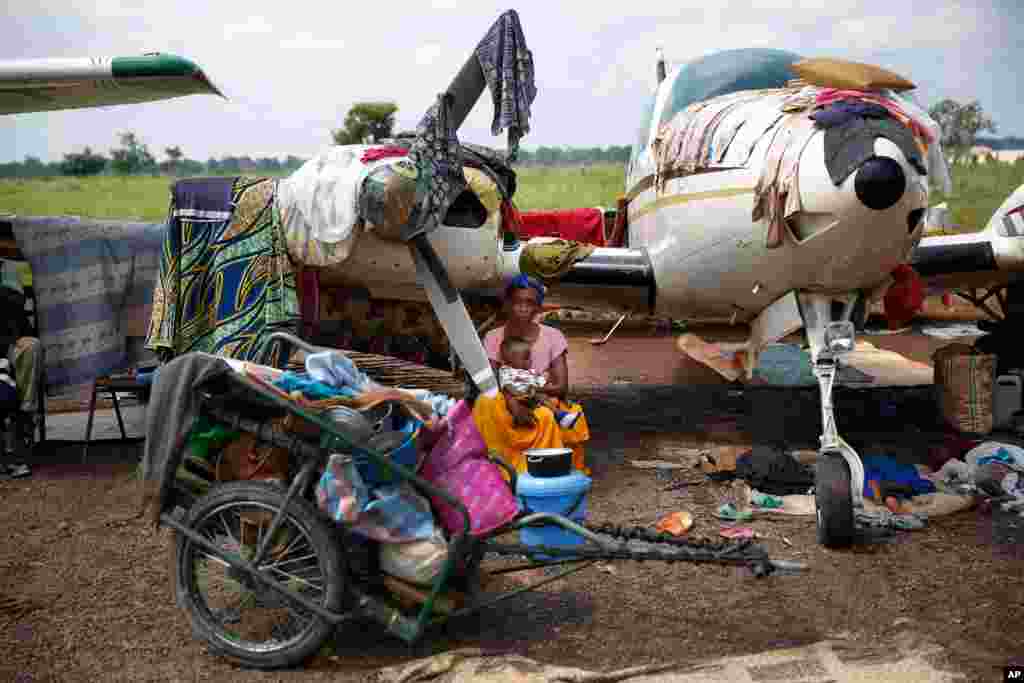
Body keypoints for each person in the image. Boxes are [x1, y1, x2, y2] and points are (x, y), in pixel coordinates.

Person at [473, 274, 590, 475]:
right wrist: (513, 402)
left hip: (542, 399)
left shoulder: (553, 336)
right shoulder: (493, 337)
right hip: (506, 398)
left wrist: (528, 390)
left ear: (539, 307)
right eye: (517, 301)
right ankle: (495, 472)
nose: (524, 307)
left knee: (544, 415)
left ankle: (538, 471)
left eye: (530, 302)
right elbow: (492, 383)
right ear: (507, 304)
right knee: (484, 402)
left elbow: (561, 387)